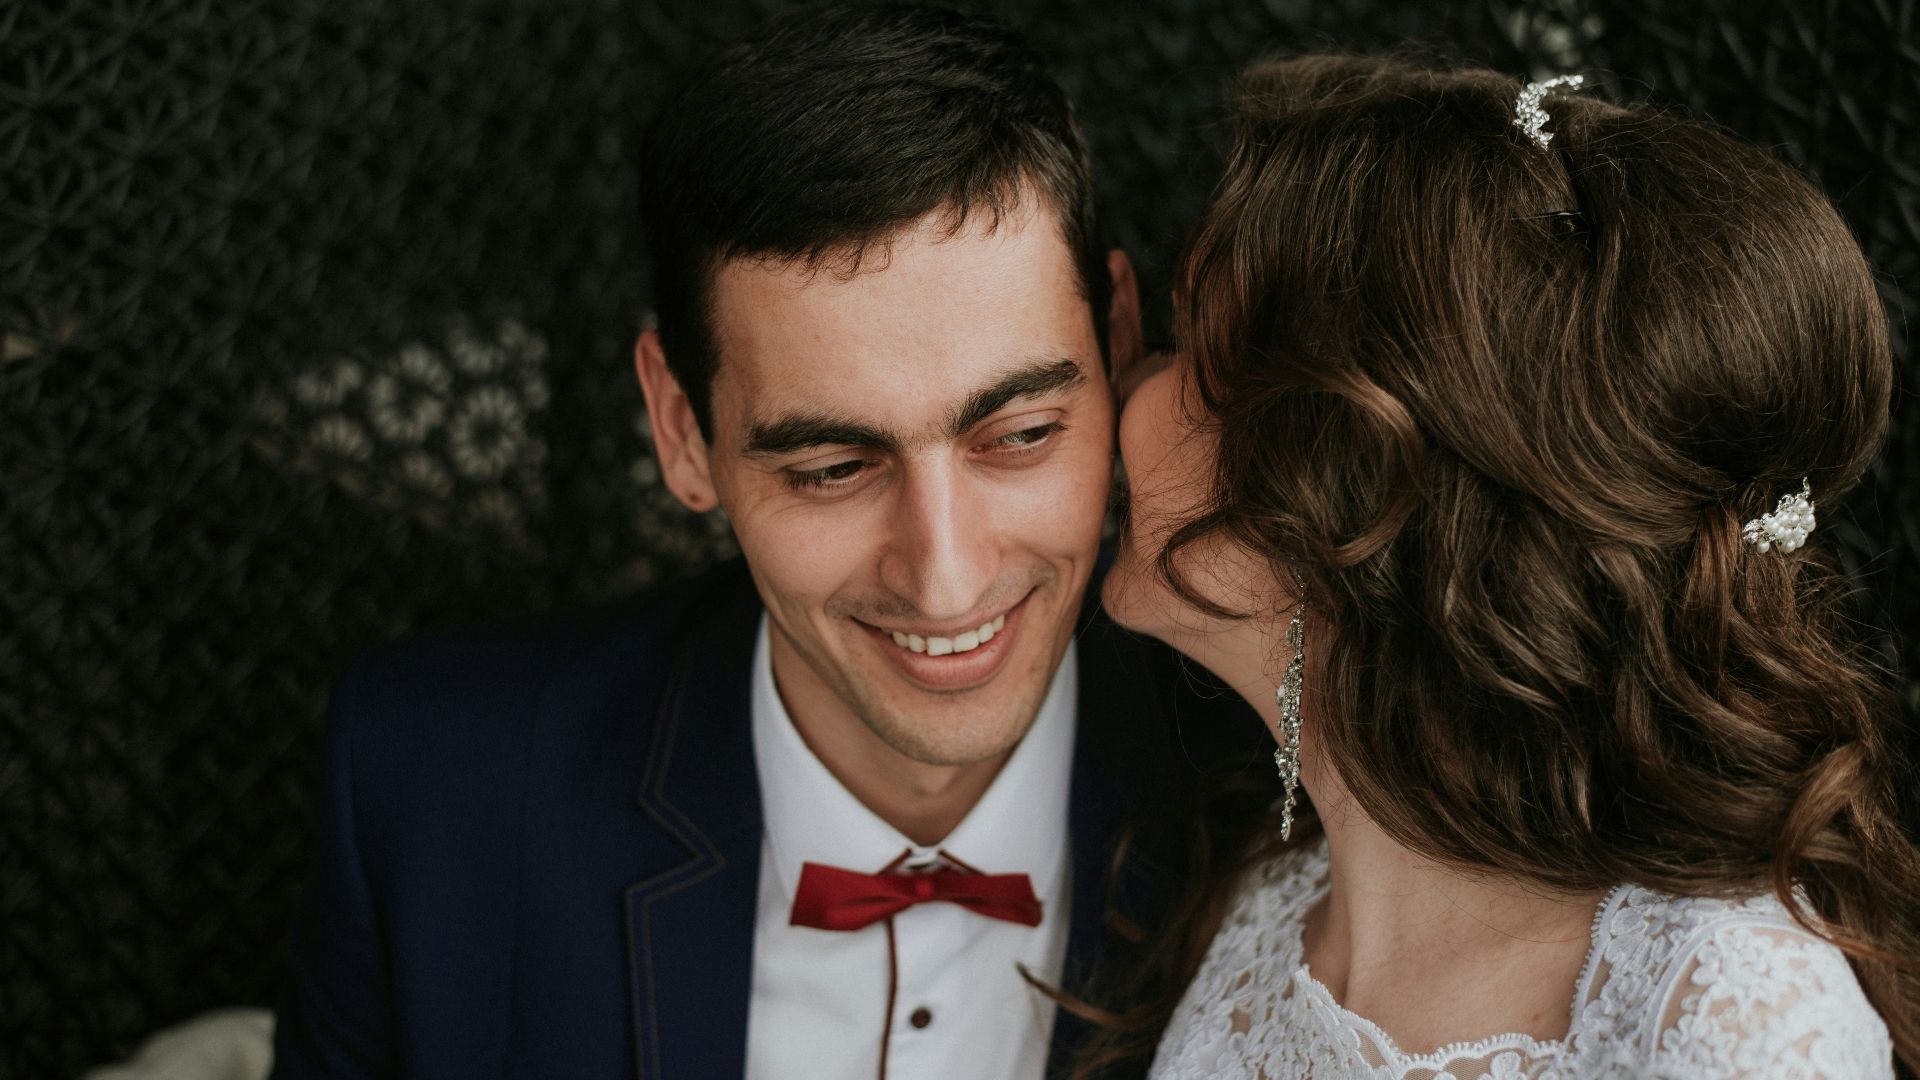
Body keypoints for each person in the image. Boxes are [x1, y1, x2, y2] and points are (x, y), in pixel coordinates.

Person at [270, 5, 1262, 1079]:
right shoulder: (433, 792)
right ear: (682, 430)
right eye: (832, 470)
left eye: (1019, 436)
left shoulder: (1276, 794)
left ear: (1118, 344)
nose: (946, 576)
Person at [1095, 55, 1920, 1078]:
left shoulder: (1729, 1019)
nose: (1126, 386)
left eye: (1187, 351)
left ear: (1336, 487)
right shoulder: (1256, 912)